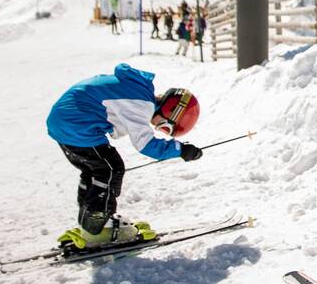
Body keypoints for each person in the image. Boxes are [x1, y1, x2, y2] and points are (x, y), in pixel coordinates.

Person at [45, 64, 203, 249]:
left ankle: (88, 220)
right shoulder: (141, 104)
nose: (159, 129)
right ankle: (97, 227)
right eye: (165, 128)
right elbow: (145, 145)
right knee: (111, 169)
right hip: (76, 125)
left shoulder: (137, 92)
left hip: (64, 123)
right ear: (170, 112)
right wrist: (181, 150)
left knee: (94, 170)